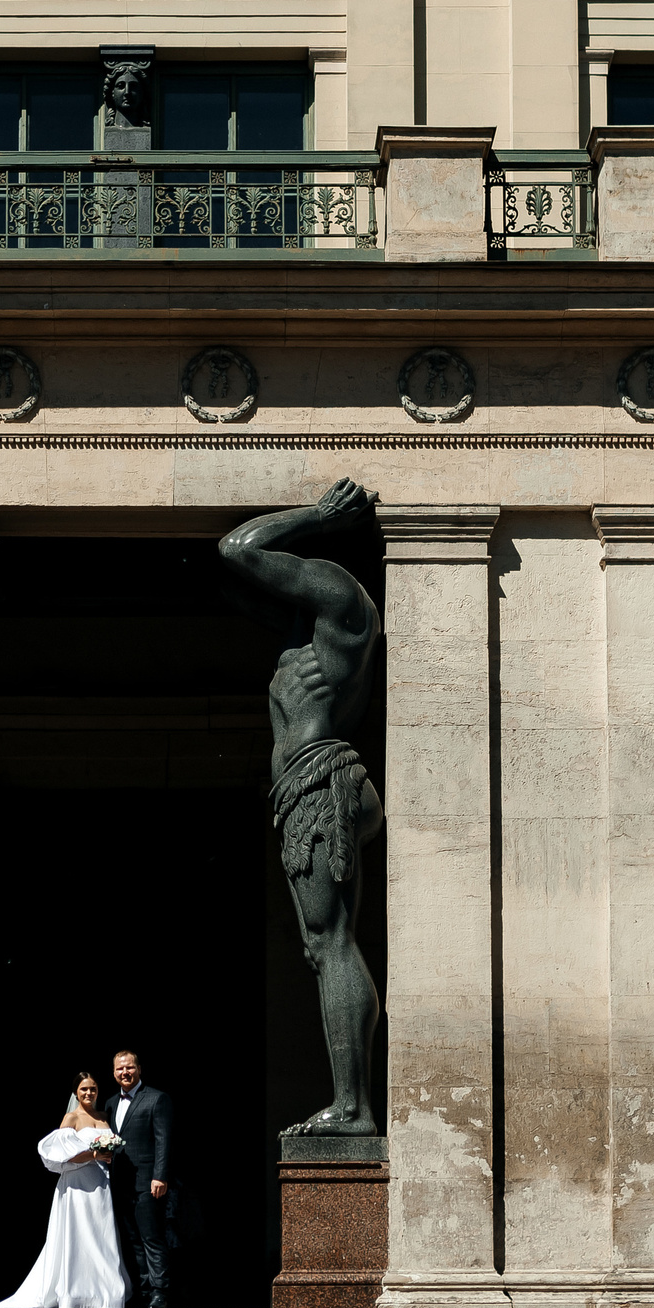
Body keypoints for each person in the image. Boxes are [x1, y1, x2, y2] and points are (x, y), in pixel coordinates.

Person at [219, 482, 384, 1138]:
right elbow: (239, 584)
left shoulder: (344, 604)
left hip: (322, 782)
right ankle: (350, 1099)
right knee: (325, 945)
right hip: (306, 788)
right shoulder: (303, 638)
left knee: (332, 942)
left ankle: (353, 1104)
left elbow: (239, 549)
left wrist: (314, 516)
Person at [0, 1073, 130, 1308]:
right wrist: (94, 1154)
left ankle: (105, 1292)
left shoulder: (104, 1117)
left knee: (101, 1233)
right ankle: (76, 1293)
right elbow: (60, 1155)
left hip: (101, 1183)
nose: (89, 1094)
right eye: (84, 1089)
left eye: (93, 1089)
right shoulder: (71, 1118)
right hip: (77, 1184)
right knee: (79, 1235)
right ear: (76, 1093)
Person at [108, 1050, 175, 1308]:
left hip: (148, 1182)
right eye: (119, 1069)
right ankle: (144, 1289)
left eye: (129, 1067)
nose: (125, 1072)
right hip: (121, 1183)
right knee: (133, 1240)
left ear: (139, 1069)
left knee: (151, 1237)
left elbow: (163, 1141)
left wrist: (160, 1176)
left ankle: (160, 1291)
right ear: (114, 1073)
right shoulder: (111, 1103)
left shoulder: (157, 1099)